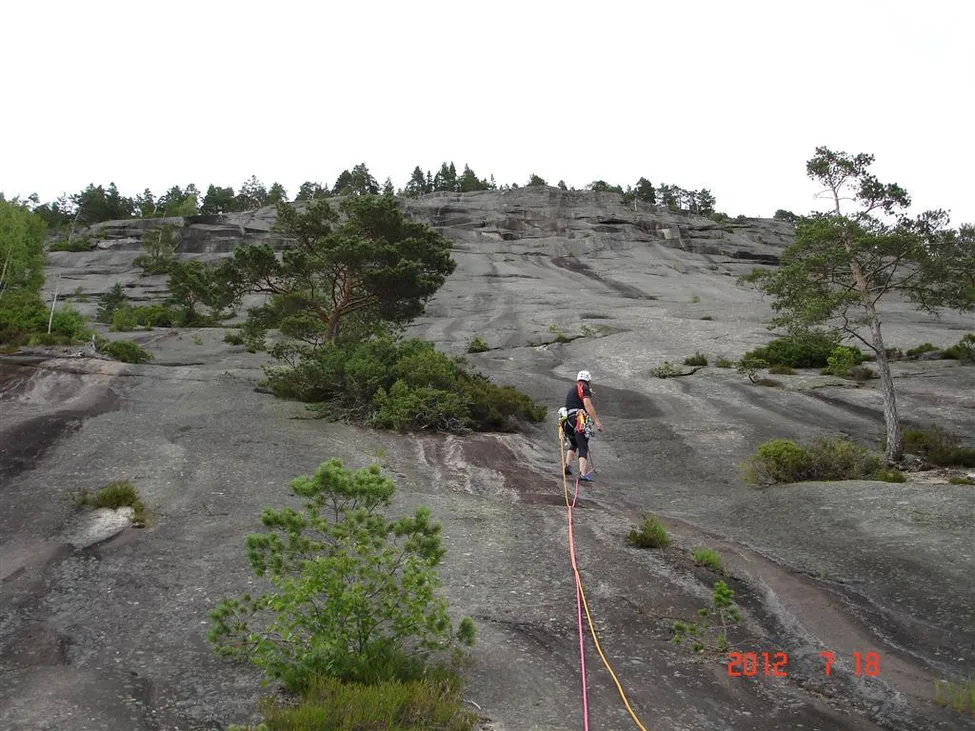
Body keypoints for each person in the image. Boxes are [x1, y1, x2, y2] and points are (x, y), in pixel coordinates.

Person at [561, 370, 603, 481]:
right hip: (578, 420)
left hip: (567, 422)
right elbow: (587, 405)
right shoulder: (584, 388)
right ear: (588, 380)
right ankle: (583, 473)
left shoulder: (572, 390)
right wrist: (597, 421)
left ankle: (566, 466)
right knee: (583, 446)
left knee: (574, 443)